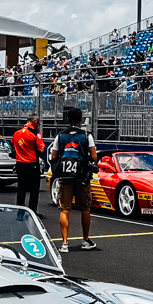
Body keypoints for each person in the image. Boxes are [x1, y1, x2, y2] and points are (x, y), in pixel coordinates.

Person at [48, 107, 98, 252]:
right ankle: (85, 240)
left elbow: (53, 156)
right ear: (80, 120)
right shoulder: (86, 135)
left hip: (65, 176)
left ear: (68, 119)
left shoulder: (60, 135)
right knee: (85, 208)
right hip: (82, 176)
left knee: (65, 209)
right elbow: (94, 156)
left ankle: (64, 243)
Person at [10, 117, 45, 212]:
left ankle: (19, 212)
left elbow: (12, 145)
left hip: (20, 164)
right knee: (34, 190)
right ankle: (32, 212)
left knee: (21, 188)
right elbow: (41, 150)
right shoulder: (35, 134)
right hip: (32, 164)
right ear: (35, 122)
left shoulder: (17, 133)